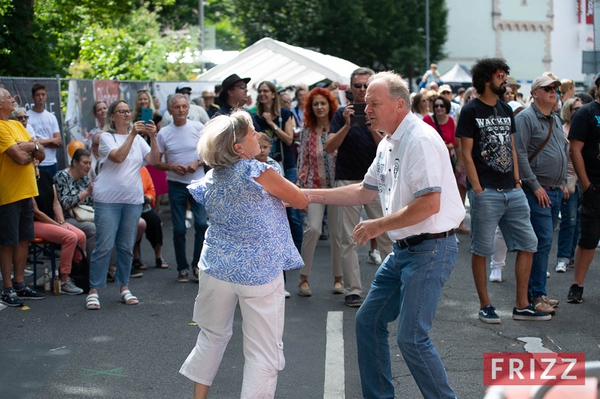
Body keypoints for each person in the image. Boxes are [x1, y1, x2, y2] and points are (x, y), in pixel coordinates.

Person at [303, 71, 463, 399]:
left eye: (374, 103)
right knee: (368, 322)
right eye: (366, 103)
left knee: (412, 338)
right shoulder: (389, 142)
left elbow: (430, 204)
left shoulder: (419, 139)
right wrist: (308, 195)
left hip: (431, 248)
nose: (367, 109)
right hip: (408, 249)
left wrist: (378, 226)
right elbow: (363, 191)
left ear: (400, 104)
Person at [179, 111, 307, 399]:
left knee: (211, 337)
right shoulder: (257, 171)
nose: (258, 136)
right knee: (262, 351)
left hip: (216, 267)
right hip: (258, 271)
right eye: (252, 133)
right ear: (238, 147)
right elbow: (299, 199)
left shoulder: (213, 175)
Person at [455, 58, 549, 323]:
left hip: (513, 190)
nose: (505, 78)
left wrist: (518, 182)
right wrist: (476, 188)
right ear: (487, 79)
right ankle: (485, 304)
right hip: (486, 191)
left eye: (506, 74)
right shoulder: (471, 111)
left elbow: (512, 148)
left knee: (529, 243)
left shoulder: (506, 109)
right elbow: (466, 153)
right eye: (501, 75)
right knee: (481, 249)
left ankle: (521, 305)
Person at [326, 67, 394, 307]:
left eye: (366, 85)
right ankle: (352, 289)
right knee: (348, 238)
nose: (362, 90)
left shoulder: (381, 112)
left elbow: (388, 146)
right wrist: (347, 125)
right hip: (347, 179)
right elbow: (329, 147)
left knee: (386, 234)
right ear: (350, 88)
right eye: (358, 86)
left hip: (378, 181)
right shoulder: (341, 113)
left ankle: (390, 286)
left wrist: (370, 126)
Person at [86, 100, 160, 310]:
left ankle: (124, 287)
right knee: (104, 245)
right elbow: (118, 157)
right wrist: (133, 135)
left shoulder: (137, 139)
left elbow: (153, 160)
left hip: (132, 200)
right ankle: (94, 290)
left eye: (129, 111)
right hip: (107, 199)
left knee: (126, 246)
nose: (127, 115)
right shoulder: (105, 137)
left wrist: (153, 137)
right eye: (122, 112)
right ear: (112, 116)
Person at [514, 75, 566, 315]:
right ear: (535, 93)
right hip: (538, 190)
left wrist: (563, 181)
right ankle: (535, 296)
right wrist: (534, 186)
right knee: (540, 242)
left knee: (544, 243)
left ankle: (540, 292)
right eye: (548, 88)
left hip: (553, 190)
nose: (554, 91)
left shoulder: (554, 118)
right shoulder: (526, 118)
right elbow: (520, 153)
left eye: (556, 88)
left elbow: (561, 152)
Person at [0, 87, 46, 307]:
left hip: (27, 192)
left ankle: (19, 283)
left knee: (23, 239)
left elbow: (42, 154)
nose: (13, 99)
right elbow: (19, 158)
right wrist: (32, 149)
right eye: (9, 97)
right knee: (7, 242)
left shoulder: (17, 125)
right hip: (7, 194)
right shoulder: (0, 128)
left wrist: (30, 146)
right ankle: (7, 288)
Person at [155, 94, 207, 283]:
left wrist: (198, 162)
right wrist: (172, 167)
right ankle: (182, 267)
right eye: (177, 107)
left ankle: (197, 265)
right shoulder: (164, 133)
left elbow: (210, 154)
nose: (181, 110)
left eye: (184, 106)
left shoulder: (198, 128)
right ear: (170, 110)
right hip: (176, 183)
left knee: (201, 224)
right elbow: (156, 162)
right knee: (179, 229)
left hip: (198, 182)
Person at [295, 87, 343, 297]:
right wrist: (300, 189)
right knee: (313, 229)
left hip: (338, 187)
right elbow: (303, 161)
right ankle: (304, 278)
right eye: (315, 104)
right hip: (314, 187)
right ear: (310, 108)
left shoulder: (338, 126)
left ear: (330, 105)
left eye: (323, 103)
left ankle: (339, 278)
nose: (320, 107)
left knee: (337, 233)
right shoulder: (307, 130)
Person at [253, 81, 303, 253]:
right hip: (264, 166)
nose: (262, 94)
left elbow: (289, 140)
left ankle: (296, 251)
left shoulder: (285, 114)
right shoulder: (254, 118)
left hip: (285, 165)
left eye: (266, 91)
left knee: (292, 211)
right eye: (260, 91)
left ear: (274, 94)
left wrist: (272, 123)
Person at [566, 75, 600, 304]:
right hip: (594, 185)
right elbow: (575, 150)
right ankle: (577, 284)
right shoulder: (586, 113)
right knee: (588, 238)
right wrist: (586, 183)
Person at [32, 159, 86, 295]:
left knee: (81, 236)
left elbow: (56, 202)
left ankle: (75, 272)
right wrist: (57, 225)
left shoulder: (45, 175)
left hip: (52, 220)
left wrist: (61, 222)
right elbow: (36, 212)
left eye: (35, 157)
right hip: (33, 223)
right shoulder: (24, 178)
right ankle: (64, 279)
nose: (33, 160)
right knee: (70, 237)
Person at [555, 98, 582, 273]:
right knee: (569, 221)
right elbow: (559, 159)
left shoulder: (585, 129)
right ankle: (563, 258)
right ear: (568, 110)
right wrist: (562, 182)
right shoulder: (562, 131)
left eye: (582, 108)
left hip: (584, 181)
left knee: (579, 222)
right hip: (569, 180)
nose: (579, 111)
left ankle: (571, 256)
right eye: (575, 108)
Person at [54, 148, 95, 257]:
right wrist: (85, 193)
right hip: (66, 217)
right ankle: (92, 268)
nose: (88, 166)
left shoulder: (85, 177)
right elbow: (64, 204)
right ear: (75, 162)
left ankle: (111, 266)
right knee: (93, 229)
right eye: (85, 163)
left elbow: (90, 202)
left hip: (84, 214)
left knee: (109, 223)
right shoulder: (61, 176)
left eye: (90, 163)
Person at [134, 166, 168, 269]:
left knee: (154, 221)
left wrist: (149, 197)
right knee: (134, 224)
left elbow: (150, 188)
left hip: (144, 204)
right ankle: (136, 257)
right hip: (129, 206)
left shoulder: (143, 169)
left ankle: (159, 256)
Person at [27, 83, 62, 176]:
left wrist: (40, 142)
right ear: (33, 97)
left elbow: (58, 142)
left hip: (52, 161)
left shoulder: (51, 117)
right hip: (37, 162)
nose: (40, 97)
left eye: (43, 94)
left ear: (46, 96)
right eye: (38, 95)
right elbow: (30, 143)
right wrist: (51, 140)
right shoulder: (27, 116)